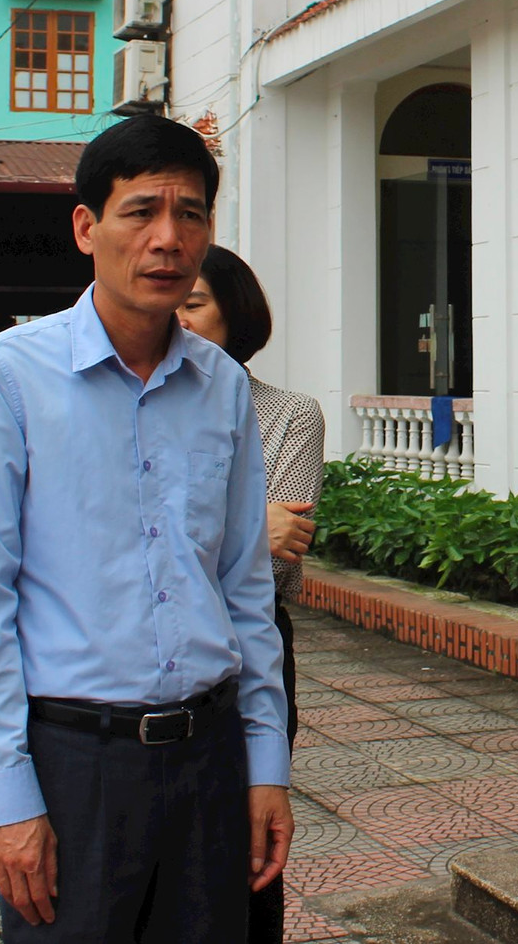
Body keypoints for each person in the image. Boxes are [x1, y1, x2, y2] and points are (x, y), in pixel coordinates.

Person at [0, 115, 292, 941]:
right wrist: (7, 792)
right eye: (141, 211)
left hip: (210, 758)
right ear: (86, 226)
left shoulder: (223, 389)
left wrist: (265, 760)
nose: (169, 238)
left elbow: (246, 588)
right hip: (76, 764)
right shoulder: (6, 380)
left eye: (192, 213)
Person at [178, 244, 325, 944]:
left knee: (249, 836)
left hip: (254, 645)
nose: (176, 315)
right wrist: (242, 527)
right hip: (152, 654)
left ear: (234, 312)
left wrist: (185, 539)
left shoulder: (288, 414)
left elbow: (279, 548)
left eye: (193, 302)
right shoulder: (142, 405)